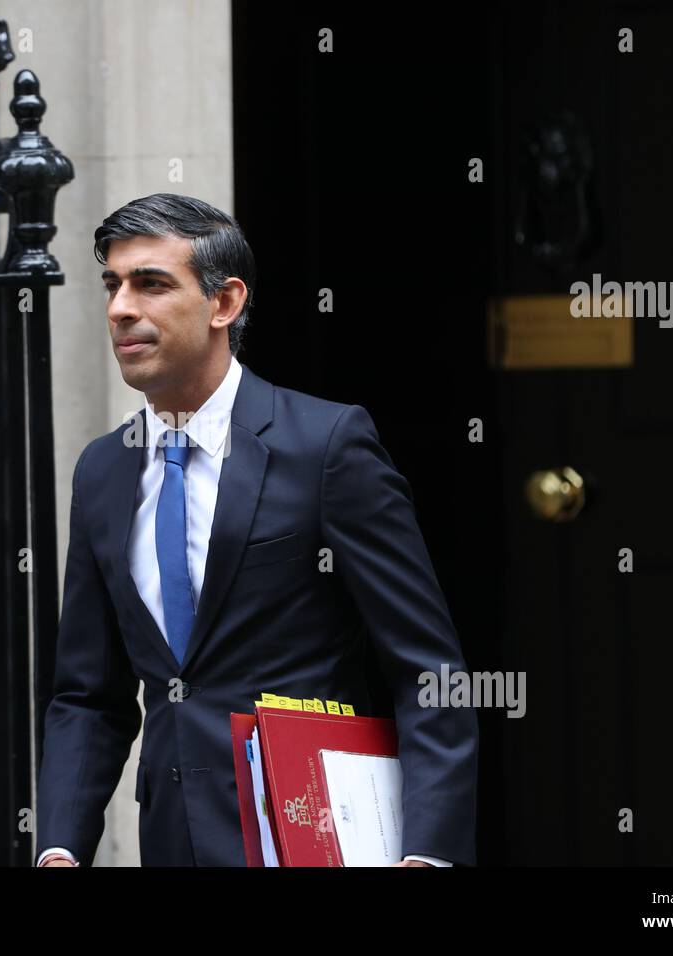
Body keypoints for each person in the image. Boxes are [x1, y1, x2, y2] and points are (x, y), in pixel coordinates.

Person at [35, 193, 477, 867]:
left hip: (320, 838)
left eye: (151, 284)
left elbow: (429, 672)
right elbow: (88, 697)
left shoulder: (327, 447)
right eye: (113, 285)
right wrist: (60, 848)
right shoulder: (102, 470)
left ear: (225, 303)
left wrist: (426, 854)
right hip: (173, 846)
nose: (121, 307)